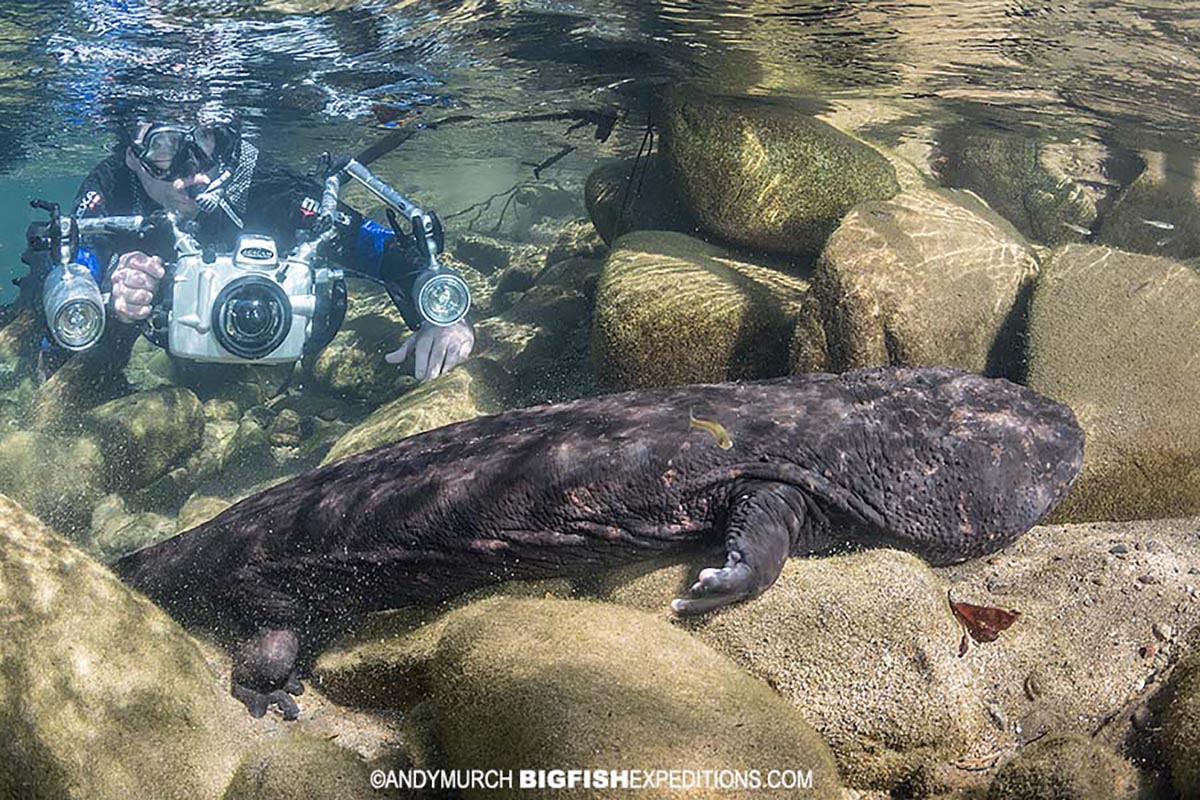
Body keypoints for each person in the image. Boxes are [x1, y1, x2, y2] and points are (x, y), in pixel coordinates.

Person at [64, 109, 474, 381]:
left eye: (207, 138)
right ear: (132, 154)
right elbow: (65, 276)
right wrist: (106, 296)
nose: (194, 172)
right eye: (164, 145)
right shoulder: (112, 188)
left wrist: (439, 312)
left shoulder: (258, 181)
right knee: (83, 366)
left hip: (265, 356)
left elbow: (378, 247)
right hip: (169, 351)